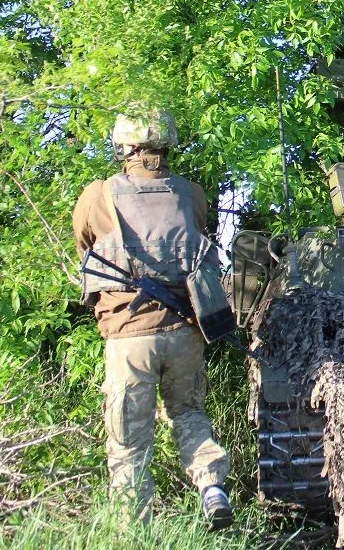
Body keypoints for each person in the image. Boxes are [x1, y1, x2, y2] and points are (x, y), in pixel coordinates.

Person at [72, 111, 232, 529]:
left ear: (125, 147)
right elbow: (197, 235)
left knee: (129, 439)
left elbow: (85, 246)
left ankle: (134, 527)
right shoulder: (190, 193)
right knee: (189, 413)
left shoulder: (98, 196)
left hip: (129, 337)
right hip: (184, 330)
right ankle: (211, 486)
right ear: (166, 146)